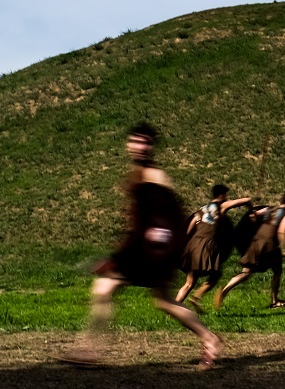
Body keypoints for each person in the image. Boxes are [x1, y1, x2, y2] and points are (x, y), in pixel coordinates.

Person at [61, 122, 222, 370]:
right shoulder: (138, 173)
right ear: (128, 144)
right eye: (135, 141)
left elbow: (167, 219)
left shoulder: (153, 177)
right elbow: (142, 222)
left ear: (151, 147)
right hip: (145, 249)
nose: (139, 146)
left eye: (145, 142)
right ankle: (209, 338)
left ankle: (91, 349)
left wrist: (128, 255)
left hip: (153, 252)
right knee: (157, 299)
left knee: (109, 289)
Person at [213, 192, 285, 309]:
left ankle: (225, 289)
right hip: (269, 244)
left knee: (246, 272)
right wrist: (284, 249)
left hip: (256, 241)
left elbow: (253, 215)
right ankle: (275, 301)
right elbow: (281, 230)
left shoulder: (270, 209)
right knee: (277, 270)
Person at [176, 184, 251, 306]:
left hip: (193, 246)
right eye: (226, 195)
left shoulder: (200, 211)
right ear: (221, 195)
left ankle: (174, 308)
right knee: (215, 275)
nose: (227, 198)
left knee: (189, 282)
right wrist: (251, 210)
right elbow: (246, 200)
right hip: (208, 246)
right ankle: (197, 296)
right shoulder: (221, 206)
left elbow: (188, 231)